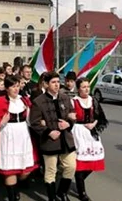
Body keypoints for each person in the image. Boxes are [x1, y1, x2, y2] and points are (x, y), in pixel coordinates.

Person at [0, 76, 39, 201]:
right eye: (13, 86)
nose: (16, 89)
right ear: (7, 88)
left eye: (17, 86)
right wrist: (1, 122)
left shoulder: (24, 100)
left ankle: (15, 187)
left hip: (23, 135)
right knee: (10, 169)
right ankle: (12, 196)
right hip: (7, 135)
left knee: (25, 170)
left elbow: (30, 120)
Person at [30, 71, 77, 201]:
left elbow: (72, 114)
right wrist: (48, 132)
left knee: (71, 166)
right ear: (46, 84)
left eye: (58, 82)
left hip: (66, 139)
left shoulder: (65, 97)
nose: (57, 85)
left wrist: (69, 123)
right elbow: (34, 122)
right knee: (50, 171)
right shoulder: (38, 102)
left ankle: (61, 192)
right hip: (50, 140)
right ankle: (52, 198)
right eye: (53, 82)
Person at [72, 78, 108, 201]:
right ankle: (82, 192)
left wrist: (94, 123)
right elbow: (68, 118)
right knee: (80, 162)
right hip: (78, 132)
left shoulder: (93, 100)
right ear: (78, 88)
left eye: (88, 86)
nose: (86, 89)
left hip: (91, 132)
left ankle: (79, 180)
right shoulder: (74, 101)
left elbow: (100, 116)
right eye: (83, 87)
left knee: (93, 160)